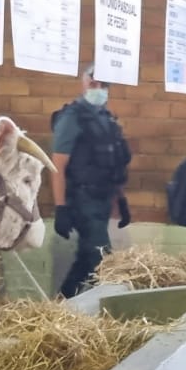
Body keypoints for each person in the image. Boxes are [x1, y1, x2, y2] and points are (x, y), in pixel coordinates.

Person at [51, 66, 132, 297]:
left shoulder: (106, 118)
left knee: (87, 260)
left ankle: (62, 304)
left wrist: (121, 201)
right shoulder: (72, 117)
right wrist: (60, 208)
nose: (99, 89)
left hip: (103, 198)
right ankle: (108, 305)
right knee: (102, 259)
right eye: (93, 84)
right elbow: (58, 165)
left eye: (103, 85)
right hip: (81, 199)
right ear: (84, 84)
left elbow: (113, 163)